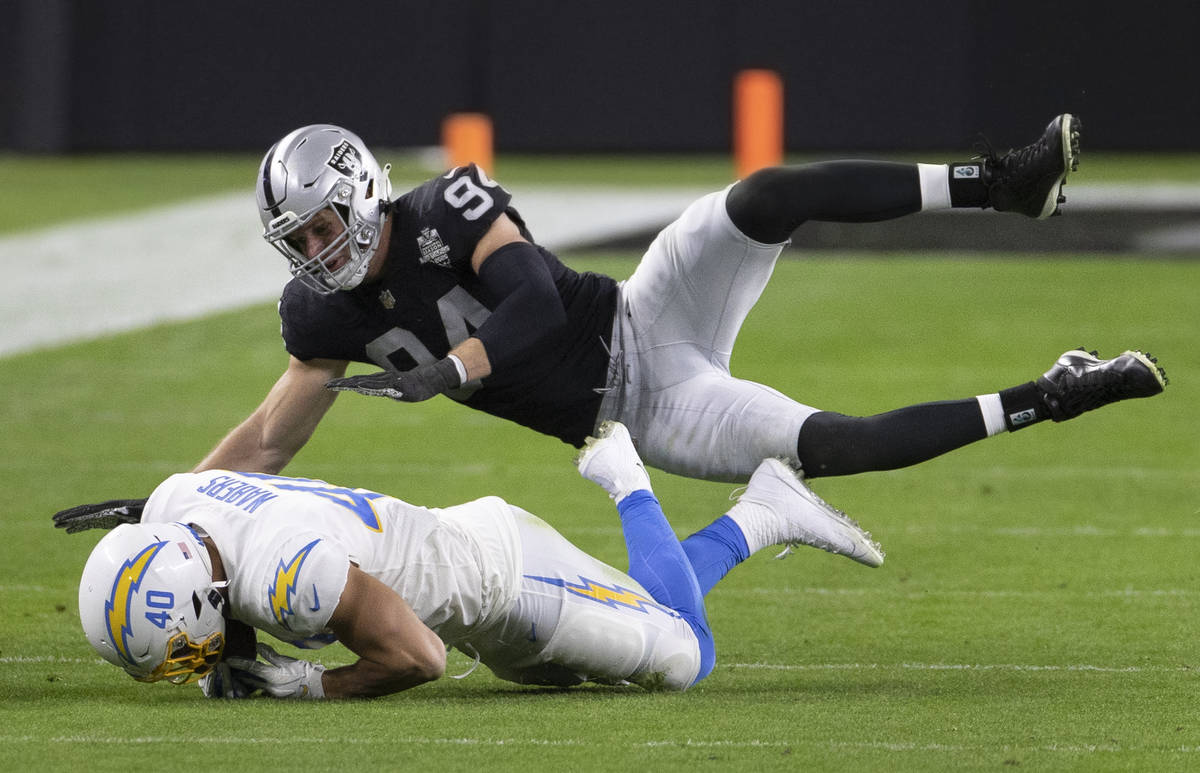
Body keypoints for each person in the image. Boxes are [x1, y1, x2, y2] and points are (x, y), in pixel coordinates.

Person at [197, 115, 1166, 513]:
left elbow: (532, 296)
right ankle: (1054, 392)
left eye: (325, 223)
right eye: (300, 239)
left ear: (363, 190)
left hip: (643, 309)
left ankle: (1004, 184)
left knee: (765, 195)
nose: (318, 250)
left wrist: (456, 371)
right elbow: (269, 442)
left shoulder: (444, 208)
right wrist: (173, 504)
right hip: (647, 413)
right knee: (837, 444)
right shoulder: (320, 318)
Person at [68, 421, 883, 699]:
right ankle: (766, 508)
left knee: (684, 657)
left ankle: (630, 475)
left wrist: (311, 684)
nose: (190, 666)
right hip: (467, 594)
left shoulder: (289, 574)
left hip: (508, 577)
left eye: (182, 648)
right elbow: (198, 525)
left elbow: (416, 657)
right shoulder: (175, 501)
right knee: (631, 624)